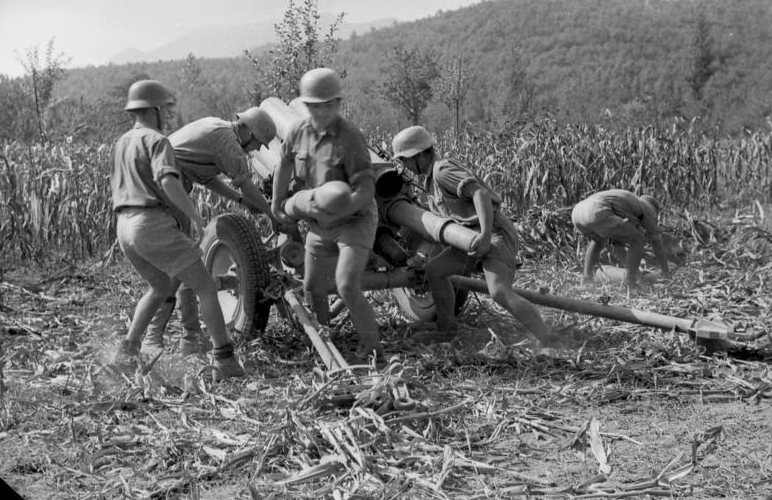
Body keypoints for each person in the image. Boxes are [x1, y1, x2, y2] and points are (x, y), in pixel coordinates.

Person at [110, 79, 245, 380]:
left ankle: (127, 350)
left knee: (160, 286)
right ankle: (225, 361)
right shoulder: (158, 141)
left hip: (124, 227)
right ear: (154, 109)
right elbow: (169, 181)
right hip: (151, 223)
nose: (168, 115)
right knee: (206, 287)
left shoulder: (122, 142)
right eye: (166, 109)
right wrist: (195, 217)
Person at [391, 125, 563, 350]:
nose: (404, 166)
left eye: (405, 159)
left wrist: (484, 235)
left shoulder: (443, 171)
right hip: (470, 237)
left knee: (499, 291)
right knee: (435, 271)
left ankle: (547, 339)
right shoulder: (429, 180)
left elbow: (480, 194)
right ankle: (447, 328)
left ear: (420, 155)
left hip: (493, 234)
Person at [142, 107, 278, 355]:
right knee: (183, 263)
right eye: (257, 143)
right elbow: (247, 185)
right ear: (247, 130)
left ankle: (188, 338)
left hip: (163, 184)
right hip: (165, 189)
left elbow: (207, 178)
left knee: (184, 263)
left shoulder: (217, 128)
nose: (256, 149)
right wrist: (271, 214)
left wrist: (239, 201)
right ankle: (166, 339)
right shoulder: (230, 145)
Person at [271, 67, 384, 361]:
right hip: (320, 223)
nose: (322, 111)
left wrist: (342, 207)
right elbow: (284, 164)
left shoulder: (351, 137)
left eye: (328, 105)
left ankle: (375, 353)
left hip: (354, 221)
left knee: (346, 285)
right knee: (313, 287)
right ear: (306, 105)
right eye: (315, 106)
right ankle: (324, 345)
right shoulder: (298, 132)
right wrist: (277, 202)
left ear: (338, 103)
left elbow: (366, 190)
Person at [571, 189, 671, 289]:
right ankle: (629, 284)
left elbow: (619, 249)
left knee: (598, 241)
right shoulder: (649, 209)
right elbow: (657, 245)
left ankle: (587, 279)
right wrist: (666, 272)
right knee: (638, 240)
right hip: (596, 209)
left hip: (578, 213)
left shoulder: (628, 205)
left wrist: (637, 273)